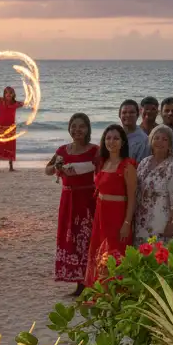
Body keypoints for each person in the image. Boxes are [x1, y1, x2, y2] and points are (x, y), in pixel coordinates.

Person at [47, 112, 98, 295]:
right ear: (69, 128)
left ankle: (89, 282)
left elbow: (102, 170)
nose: (77, 130)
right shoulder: (62, 150)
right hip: (68, 200)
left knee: (87, 239)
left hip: (87, 199)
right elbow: (47, 169)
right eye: (74, 126)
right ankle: (78, 284)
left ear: (87, 129)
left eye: (81, 126)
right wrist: (57, 167)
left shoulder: (95, 150)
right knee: (71, 239)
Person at [85, 124, 137, 284]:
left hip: (118, 216)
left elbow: (132, 197)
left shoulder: (128, 165)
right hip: (101, 216)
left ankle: (115, 293)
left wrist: (127, 223)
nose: (111, 142)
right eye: (108, 138)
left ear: (122, 142)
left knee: (115, 254)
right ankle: (99, 293)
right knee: (100, 252)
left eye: (116, 138)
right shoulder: (103, 162)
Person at [134, 125, 173, 244]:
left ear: (169, 144)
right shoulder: (144, 162)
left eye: (164, 139)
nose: (160, 142)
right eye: (156, 138)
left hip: (162, 220)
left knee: (160, 256)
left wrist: (172, 223)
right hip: (142, 218)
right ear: (151, 141)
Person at [0, 75, 23, 172]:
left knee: (10, 147)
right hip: (0, 127)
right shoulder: (0, 101)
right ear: (4, 94)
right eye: (6, 93)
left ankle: (11, 167)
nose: (8, 94)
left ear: (13, 94)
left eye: (10, 93)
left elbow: (27, 102)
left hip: (10, 128)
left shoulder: (16, 104)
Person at [118, 99, 149, 163]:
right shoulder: (114, 135)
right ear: (119, 115)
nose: (128, 115)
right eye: (124, 112)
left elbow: (141, 166)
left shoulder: (143, 139)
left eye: (131, 112)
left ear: (137, 115)